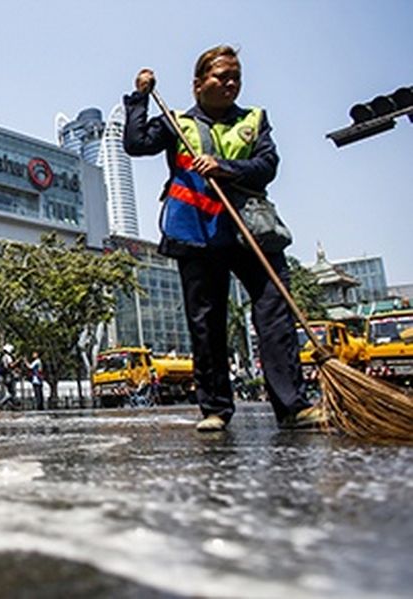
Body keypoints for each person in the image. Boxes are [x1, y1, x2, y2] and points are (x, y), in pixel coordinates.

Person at [122, 45, 323, 432]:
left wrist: (225, 167)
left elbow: (267, 167)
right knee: (206, 322)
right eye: (221, 76)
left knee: (274, 314)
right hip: (196, 233)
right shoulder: (175, 121)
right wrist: (140, 98)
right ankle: (215, 409)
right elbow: (135, 144)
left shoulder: (254, 120)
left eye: (236, 77)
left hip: (251, 232)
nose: (231, 83)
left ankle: (293, 406)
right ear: (198, 84)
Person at [0, 343, 20, 409]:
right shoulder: (8, 357)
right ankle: (1, 403)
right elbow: (11, 365)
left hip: (3, 375)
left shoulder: (3, 356)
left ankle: (13, 405)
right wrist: (17, 361)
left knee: (10, 392)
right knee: (11, 392)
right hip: (7, 375)